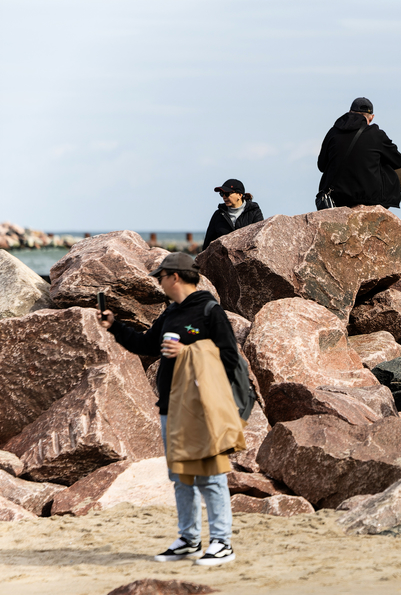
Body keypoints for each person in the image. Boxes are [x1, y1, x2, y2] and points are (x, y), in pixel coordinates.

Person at [99, 252, 241, 565]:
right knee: (180, 476)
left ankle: (222, 542)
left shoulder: (210, 311)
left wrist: (188, 351)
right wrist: (115, 326)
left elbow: (230, 359)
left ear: (173, 276)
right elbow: (146, 344)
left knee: (211, 475)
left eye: (160, 277)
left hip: (200, 406)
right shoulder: (171, 312)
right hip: (169, 406)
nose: (159, 282)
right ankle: (188, 539)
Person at [316, 97, 401, 209]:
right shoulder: (376, 134)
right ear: (371, 118)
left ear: (349, 112)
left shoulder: (333, 132)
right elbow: (398, 162)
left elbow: (321, 166)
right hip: (369, 198)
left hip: (336, 197)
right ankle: (375, 212)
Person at [202, 178, 264, 251]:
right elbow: (207, 244)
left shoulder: (254, 212)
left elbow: (260, 240)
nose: (224, 197)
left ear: (239, 195)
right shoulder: (218, 214)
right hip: (223, 260)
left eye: (227, 194)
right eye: (222, 194)